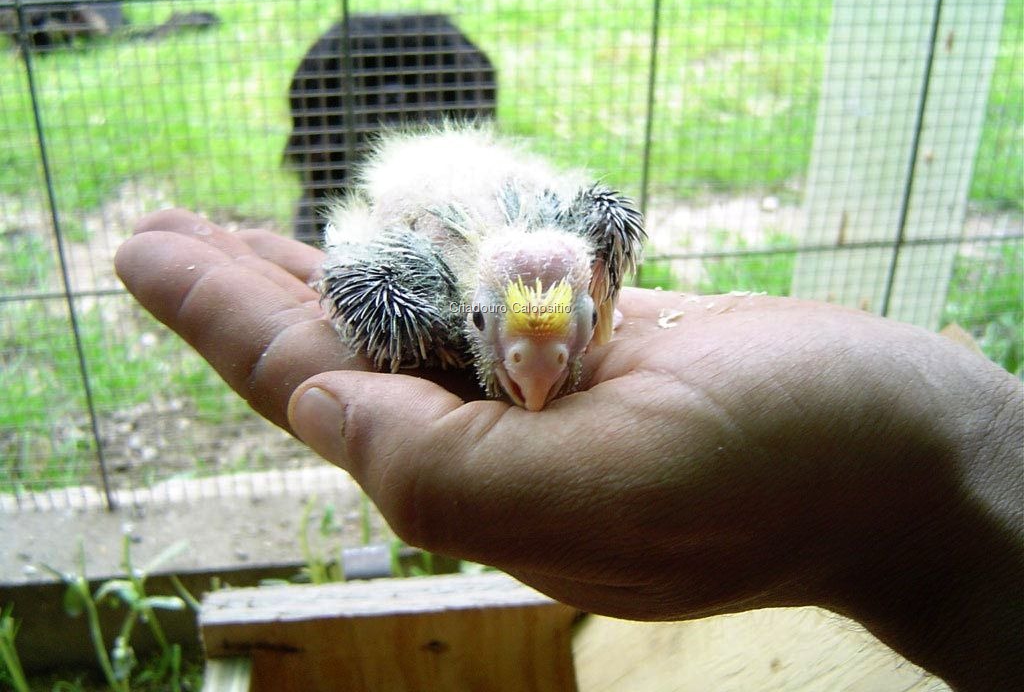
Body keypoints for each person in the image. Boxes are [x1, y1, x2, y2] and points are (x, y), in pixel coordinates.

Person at [115, 209, 1022, 690]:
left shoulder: (554, 273)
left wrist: (950, 477)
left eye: (571, 333)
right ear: (466, 311)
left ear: (600, 301)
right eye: (494, 331)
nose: (540, 379)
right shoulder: (412, 282)